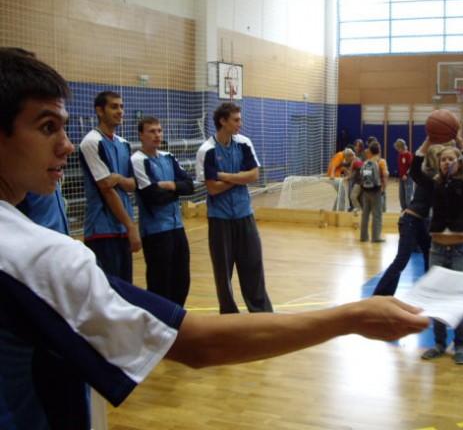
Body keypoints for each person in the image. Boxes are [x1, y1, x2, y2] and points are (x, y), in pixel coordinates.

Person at [0, 47, 431, 430]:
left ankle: (256, 315)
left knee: (225, 280)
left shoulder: (38, 246)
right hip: (181, 225)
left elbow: (216, 182)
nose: (66, 146)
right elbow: (197, 343)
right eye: (45, 127)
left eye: (63, 126)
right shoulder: (40, 259)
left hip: (219, 217)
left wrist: (217, 183)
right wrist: (350, 318)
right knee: (198, 287)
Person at [196, 102, 273, 314]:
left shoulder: (244, 143)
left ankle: (261, 313)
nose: (240, 123)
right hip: (219, 219)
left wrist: (226, 176)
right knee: (223, 273)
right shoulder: (207, 150)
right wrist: (241, 178)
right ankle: (228, 315)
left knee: (253, 266)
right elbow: (212, 188)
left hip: (244, 215)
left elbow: (254, 175)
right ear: (223, 121)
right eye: (236, 119)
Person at [412, 132, 463, 365]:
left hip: (460, 249)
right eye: (443, 159)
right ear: (438, 164)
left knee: (457, 302)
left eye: (452, 159)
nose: (447, 162)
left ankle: (460, 345)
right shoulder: (434, 186)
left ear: (458, 162)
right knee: (438, 301)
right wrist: (428, 142)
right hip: (437, 249)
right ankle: (439, 343)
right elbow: (414, 171)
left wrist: (461, 144)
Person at [132, 117, 194, 306]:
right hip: (155, 230)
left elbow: (189, 186)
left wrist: (169, 185)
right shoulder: (138, 160)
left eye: (159, 130)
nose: (157, 135)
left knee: (182, 279)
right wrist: (176, 190)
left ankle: (177, 322)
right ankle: (159, 325)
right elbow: (153, 196)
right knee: (160, 282)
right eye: (152, 131)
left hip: (177, 227)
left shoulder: (168, 157)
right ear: (141, 135)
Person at [79, 90, 140, 282]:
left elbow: (132, 184)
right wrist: (131, 227)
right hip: (101, 229)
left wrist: (119, 179)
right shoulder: (92, 142)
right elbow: (106, 188)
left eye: (121, 106)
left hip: (122, 227)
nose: (120, 111)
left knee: (125, 289)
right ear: (99, 110)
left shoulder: (123, 144)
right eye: (114, 106)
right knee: (108, 290)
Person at [372, 144, 441, 296]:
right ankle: (380, 295)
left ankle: (429, 290)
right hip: (411, 221)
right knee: (401, 260)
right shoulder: (432, 175)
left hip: (419, 221)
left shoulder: (429, 173)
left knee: (429, 253)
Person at [359, 140, 389, 243]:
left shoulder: (366, 162)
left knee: (365, 214)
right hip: (377, 190)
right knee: (377, 214)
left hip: (366, 190)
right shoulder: (381, 161)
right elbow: (385, 174)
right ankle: (376, 237)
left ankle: (363, 236)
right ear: (379, 150)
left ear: (370, 151)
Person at [393, 138, 414, 210]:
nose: (398, 150)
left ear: (402, 147)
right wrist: (397, 176)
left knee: (408, 194)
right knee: (401, 195)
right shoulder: (399, 155)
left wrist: (406, 174)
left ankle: (409, 209)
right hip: (401, 178)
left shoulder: (408, 154)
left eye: (398, 148)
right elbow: (399, 166)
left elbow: (411, 166)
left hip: (408, 178)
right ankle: (404, 209)